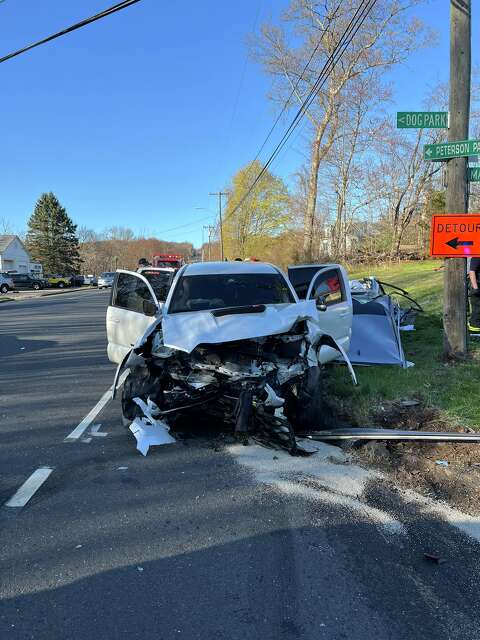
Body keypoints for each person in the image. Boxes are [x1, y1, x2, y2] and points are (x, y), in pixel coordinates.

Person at [468, 257, 480, 333]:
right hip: (477, 286)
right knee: (477, 310)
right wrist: (475, 289)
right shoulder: (477, 255)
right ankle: (474, 332)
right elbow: (472, 272)